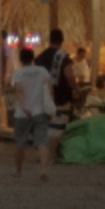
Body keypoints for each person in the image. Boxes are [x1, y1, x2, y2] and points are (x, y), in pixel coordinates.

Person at [11, 47, 53, 181]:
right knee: (42, 142)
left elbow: (19, 91)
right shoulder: (42, 71)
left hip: (22, 114)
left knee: (20, 144)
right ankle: (43, 171)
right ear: (33, 58)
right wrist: (50, 106)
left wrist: (24, 107)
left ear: (20, 59)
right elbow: (49, 89)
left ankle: (18, 171)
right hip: (40, 111)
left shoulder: (18, 74)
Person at [35, 29, 76, 160]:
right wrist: (75, 88)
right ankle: (51, 154)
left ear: (50, 39)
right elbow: (69, 75)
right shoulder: (63, 56)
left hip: (42, 96)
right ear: (62, 40)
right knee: (57, 127)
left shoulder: (40, 57)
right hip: (60, 96)